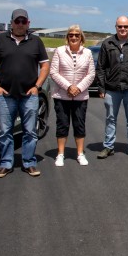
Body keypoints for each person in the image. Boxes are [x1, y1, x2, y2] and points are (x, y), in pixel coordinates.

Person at [0, 8, 50, 178]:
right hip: (6, 95)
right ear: (12, 23)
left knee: (30, 132)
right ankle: (6, 163)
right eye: (17, 21)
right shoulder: (0, 39)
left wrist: (37, 86)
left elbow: (45, 65)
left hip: (29, 95)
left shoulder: (36, 41)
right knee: (5, 131)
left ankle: (29, 162)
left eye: (23, 21)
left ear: (28, 23)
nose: (20, 24)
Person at [96, 16, 128, 159]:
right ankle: (108, 146)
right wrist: (101, 88)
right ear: (116, 27)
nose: (123, 29)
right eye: (120, 26)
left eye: (125, 26)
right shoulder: (107, 43)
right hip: (111, 89)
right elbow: (100, 67)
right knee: (110, 119)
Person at [49, 25, 95, 167]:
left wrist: (78, 88)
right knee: (62, 124)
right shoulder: (59, 51)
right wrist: (68, 87)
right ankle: (60, 154)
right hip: (62, 95)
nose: (74, 37)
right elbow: (54, 72)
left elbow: (91, 74)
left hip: (80, 96)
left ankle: (80, 154)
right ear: (67, 37)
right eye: (71, 35)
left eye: (77, 35)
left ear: (81, 37)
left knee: (79, 124)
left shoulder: (87, 53)